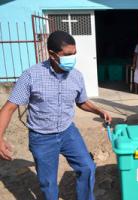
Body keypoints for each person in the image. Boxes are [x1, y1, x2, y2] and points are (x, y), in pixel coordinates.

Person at [0, 31, 112, 200]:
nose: (72, 58)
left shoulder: (76, 76)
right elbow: (9, 108)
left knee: (87, 167)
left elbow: (81, 101)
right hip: (42, 137)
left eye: (74, 54)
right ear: (52, 54)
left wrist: (99, 111)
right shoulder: (31, 75)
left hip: (68, 132)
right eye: (67, 54)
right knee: (48, 183)